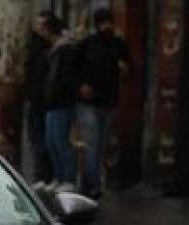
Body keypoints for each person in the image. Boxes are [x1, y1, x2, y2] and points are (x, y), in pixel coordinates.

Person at [75, 8, 130, 199]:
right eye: (103, 23)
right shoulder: (86, 45)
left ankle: (92, 180)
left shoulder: (118, 45)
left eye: (109, 22)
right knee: (92, 141)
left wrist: (124, 68)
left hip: (108, 101)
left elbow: (128, 67)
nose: (107, 27)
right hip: (88, 101)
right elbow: (74, 69)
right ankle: (92, 183)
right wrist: (81, 85)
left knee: (100, 143)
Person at [41, 23, 82, 193]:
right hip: (53, 102)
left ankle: (69, 179)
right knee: (51, 141)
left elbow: (64, 78)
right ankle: (59, 178)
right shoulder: (56, 52)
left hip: (62, 102)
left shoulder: (66, 51)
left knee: (60, 141)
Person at [25, 13, 64, 186]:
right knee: (40, 140)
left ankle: (45, 176)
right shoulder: (39, 48)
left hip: (44, 102)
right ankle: (43, 176)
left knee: (44, 141)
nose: (38, 29)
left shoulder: (50, 50)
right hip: (39, 101)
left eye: (41, 25)